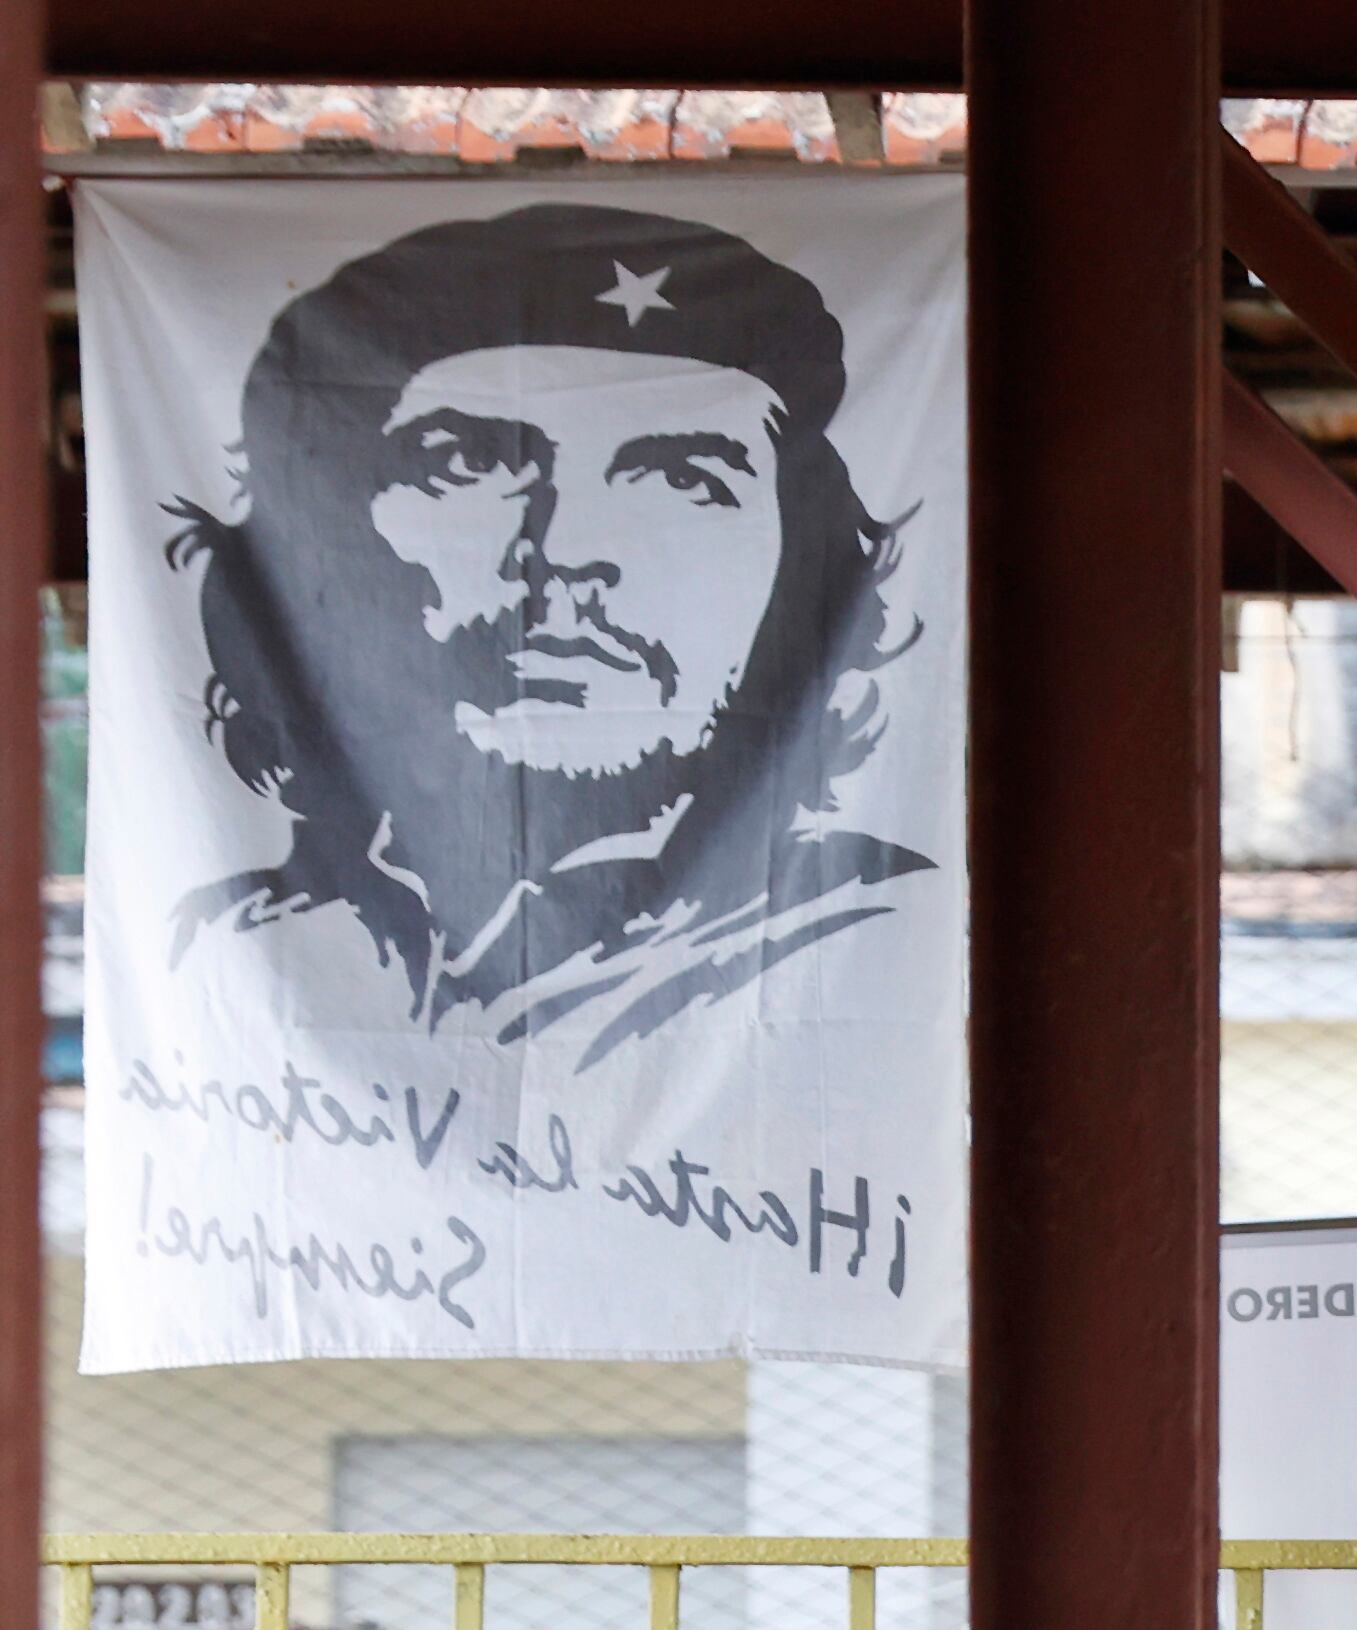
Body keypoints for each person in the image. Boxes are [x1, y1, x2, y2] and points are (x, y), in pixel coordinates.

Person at [169, 202, 935, 1057]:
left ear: (804, 567)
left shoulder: (890, 939)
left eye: (682, 478)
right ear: (314, 547)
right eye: (468, 464)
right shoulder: (212, 951)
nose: (563, 552)